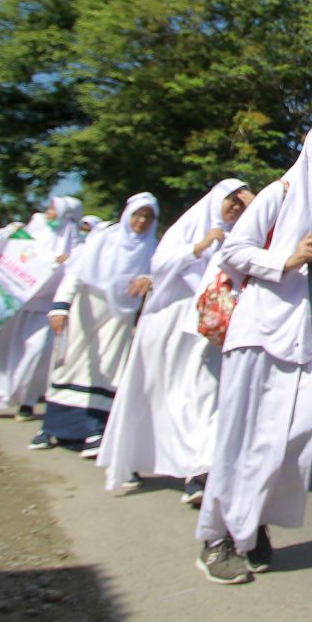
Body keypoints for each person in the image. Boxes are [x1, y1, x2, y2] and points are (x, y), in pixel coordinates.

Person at [194, 118, 312, 585]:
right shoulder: (280, 193)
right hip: (262, 331)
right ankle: (219, 536)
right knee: (243, 437)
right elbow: (234, 251)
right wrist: (282, 262)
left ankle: (255, 518)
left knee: (310, 426)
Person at [98, 179, 255, 501]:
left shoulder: (241, 236)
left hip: (206, 327)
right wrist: (198, 247)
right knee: (151, 392)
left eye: (241, 204)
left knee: (205, 395)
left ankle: (199, 473)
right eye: (231, 201)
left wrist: (251, 208)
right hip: (167, 321)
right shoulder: (190, 227)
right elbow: (159, 263)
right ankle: (135, 458)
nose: (235, 208)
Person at [30, 193, 159, 456]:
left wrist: (149, 277)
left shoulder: (151, 246)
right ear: (128, 214)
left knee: (108, 368)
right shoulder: (105, 238)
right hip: (87, 306)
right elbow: (76, 271)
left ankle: (93, 429)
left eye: (148, 216)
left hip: (121, 314)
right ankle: (51, 427)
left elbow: (159, 270)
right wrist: (60, 307)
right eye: (138, 214)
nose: (141, 221)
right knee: (71, 364)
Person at [0, 197, 82, 422]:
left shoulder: (75, 246)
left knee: (35, 354)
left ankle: (26, 402)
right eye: (49, 208)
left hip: (44, 308)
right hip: (13, 302)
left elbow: (76, 273)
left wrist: (67, 261)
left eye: (53, 209)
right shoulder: (32, 231)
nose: (48, 213)